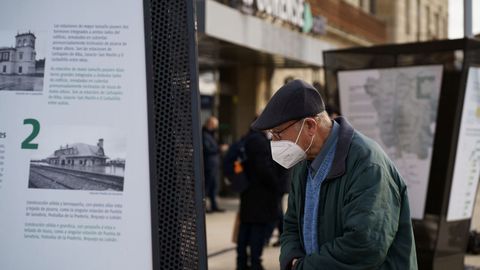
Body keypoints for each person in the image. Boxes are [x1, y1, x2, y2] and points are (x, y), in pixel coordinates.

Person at [251, 80, 418, 270]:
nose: (274, 141)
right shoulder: (302, 160)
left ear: (310, 126)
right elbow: (291, 225)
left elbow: (364, 245)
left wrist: (304, 267)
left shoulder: (367, 164)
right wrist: (291, 260)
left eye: (279, 133)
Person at [236, 126, 285, 270]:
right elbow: (264, 168)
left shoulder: (248, 138)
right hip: (261, 194)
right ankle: (255, 263)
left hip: (249, 192)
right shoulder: (259, 142)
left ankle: (242, 262)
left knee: (245, 229)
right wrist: (277, 184)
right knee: (257, 230)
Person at [202, 116, 225, 213]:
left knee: (214, 186)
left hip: (214, 164)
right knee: (207, 186)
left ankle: (214, 205)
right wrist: (220, 149)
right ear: (210, 124)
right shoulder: (204, 134)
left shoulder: (211, 134)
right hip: (209, 164)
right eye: (215, 124)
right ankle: (204, 207)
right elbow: (207, 149)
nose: (216, 127)